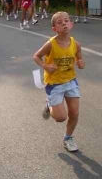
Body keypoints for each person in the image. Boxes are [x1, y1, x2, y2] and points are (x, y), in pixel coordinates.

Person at [33, 11, 85, 152]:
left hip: (70, 81)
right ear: (54, 29)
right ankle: (49, 104)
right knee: (60, 117)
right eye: (59, 22)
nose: (64, 23)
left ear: (71, 24)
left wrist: (80, 62)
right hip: (54, 84)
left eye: (66, 20)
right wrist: (45, 65)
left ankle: (68, 138)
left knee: (74, 113)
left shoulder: (76, 44)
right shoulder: (51, 44)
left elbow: (79, 56)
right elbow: (36, 56)